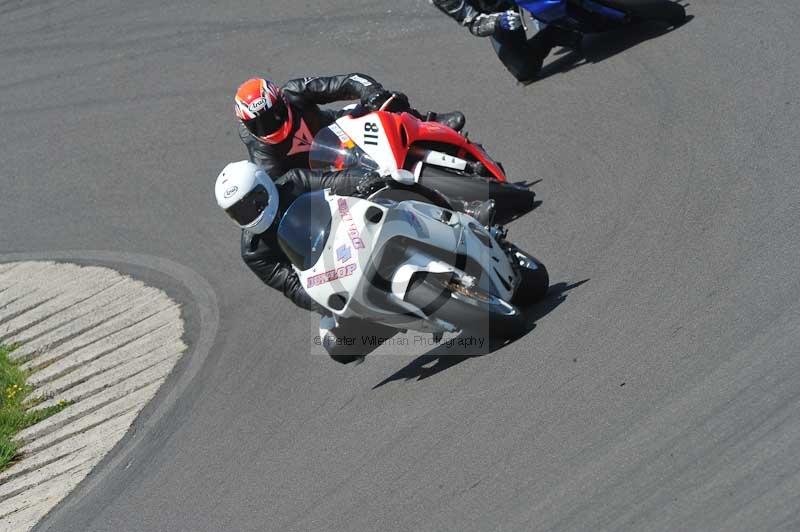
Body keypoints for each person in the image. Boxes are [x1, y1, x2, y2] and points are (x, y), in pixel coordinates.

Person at [214, 160, 494, 361]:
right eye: (240, 211)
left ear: (265, 185)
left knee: (397, 184)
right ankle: (402, 317)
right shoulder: (254, 251)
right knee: (337, 346)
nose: (251, 212)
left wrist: (364, 180)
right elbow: (291, 286)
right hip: (335, 276)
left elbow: (333, 181)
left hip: (352, 233)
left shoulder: (293, 182)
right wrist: (326, 302)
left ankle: (457, 215)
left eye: (254, 200)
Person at [235, 75, 467, 176]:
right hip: (324, 178)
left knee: (387, 103)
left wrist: (371, 93)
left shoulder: (294, 91)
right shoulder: (260, 151)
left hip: (342, 131)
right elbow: (283, 187)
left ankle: (430, 124)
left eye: (271, 117)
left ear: (281, 102)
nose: (268, 126)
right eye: (259, 125)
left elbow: (347, 81)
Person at [430, 1, 581, 83]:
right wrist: (497, 22)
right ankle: (552, 34)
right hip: (497, 6)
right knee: (523, 69)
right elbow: (474, 23)